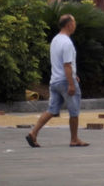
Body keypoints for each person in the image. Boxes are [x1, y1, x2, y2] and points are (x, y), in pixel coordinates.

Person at [26, 13, 89, 148]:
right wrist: (71, 83)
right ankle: (74, 139)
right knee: (74, 111)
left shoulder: (55, 40)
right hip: (65, 81)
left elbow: (61, 63)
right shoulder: (67, 43)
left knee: (52, 110)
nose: (75, 25)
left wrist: (73, 74)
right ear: (69, 25)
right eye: (74, 23)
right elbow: (67, 64)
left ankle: (33, 132)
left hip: (54, 80)